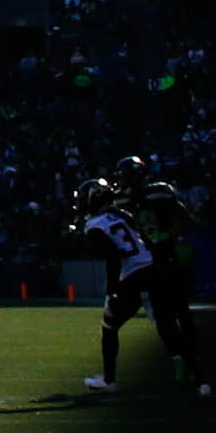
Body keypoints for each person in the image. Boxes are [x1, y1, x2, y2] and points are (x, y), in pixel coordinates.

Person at [76, 163, 207, 398]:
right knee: (169, 326)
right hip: (154, 267)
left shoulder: (94, 225)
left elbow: (113, 255)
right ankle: (202, 382)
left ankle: (109, 379)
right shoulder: (121, 214)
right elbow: (141, 236)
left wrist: (111, 289)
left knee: (110, 325)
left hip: (134, 276)